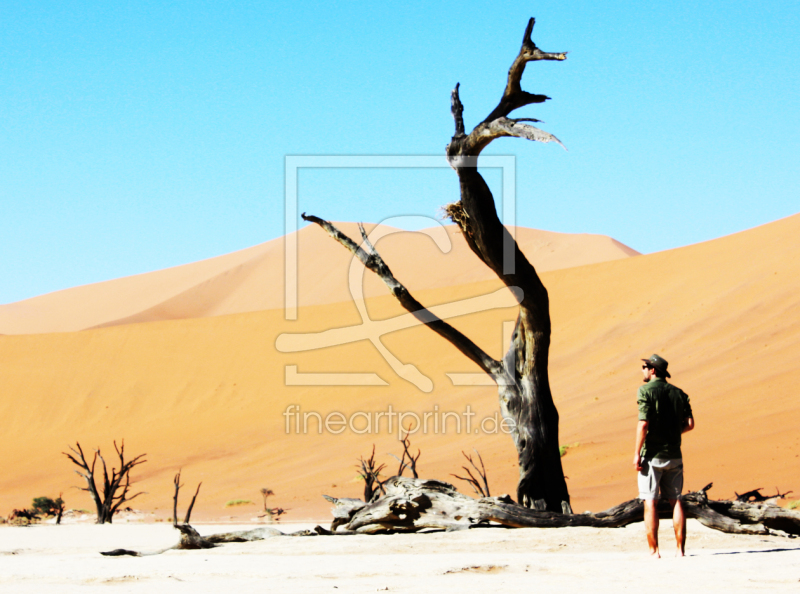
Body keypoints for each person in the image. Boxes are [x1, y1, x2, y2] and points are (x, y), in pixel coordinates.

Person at [633, 354, 694, 557]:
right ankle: (680, 550)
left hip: (651, 455)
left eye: (645, 366)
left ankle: (654, 550)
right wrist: (674, 433)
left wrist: (636, 454)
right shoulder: (679, 393)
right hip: (675, 455)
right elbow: (690, 424)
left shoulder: (645, 391)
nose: (642, 369)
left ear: (653, 370)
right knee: (676, 500)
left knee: (650, 501)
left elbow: (643, 424)